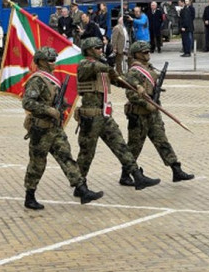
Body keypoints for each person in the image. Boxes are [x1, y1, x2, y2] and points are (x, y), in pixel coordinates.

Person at [21, 47, 104, 210]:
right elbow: (27, 102)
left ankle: (82, 190)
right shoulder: (37, 80)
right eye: (51, 60)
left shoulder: (52, 79)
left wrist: (62, 104)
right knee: (37, 164)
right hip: (41, 130)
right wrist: (48, 110)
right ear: (42, 62)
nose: (54, 63)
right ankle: (29, 196)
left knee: (67, 158)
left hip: (55, 129)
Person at [75, 37, 160, 190]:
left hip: (105, 116)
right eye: (97, 48)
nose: (101, 50)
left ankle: (137, 176)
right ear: (88, 50)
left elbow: (122, 81)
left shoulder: (102, 69)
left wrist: (136, 86)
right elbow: (95, 67)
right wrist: (109, 66)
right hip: (91, 116)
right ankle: (80, 185)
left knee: (121, 146)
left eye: (101, 47)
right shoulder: (85, 65)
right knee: (87, 153)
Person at [123, 40, 194, 185]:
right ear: (136, 54)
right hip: (139, 114)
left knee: (162, 141)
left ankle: (176, 169)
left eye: (148, 51)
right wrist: (146, 104)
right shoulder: (133, 72)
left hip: (153, 113)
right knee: (134, 147)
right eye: (144, 52)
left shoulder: (149, 68)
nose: (148, 54)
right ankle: (126, 174)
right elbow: (131, 94)